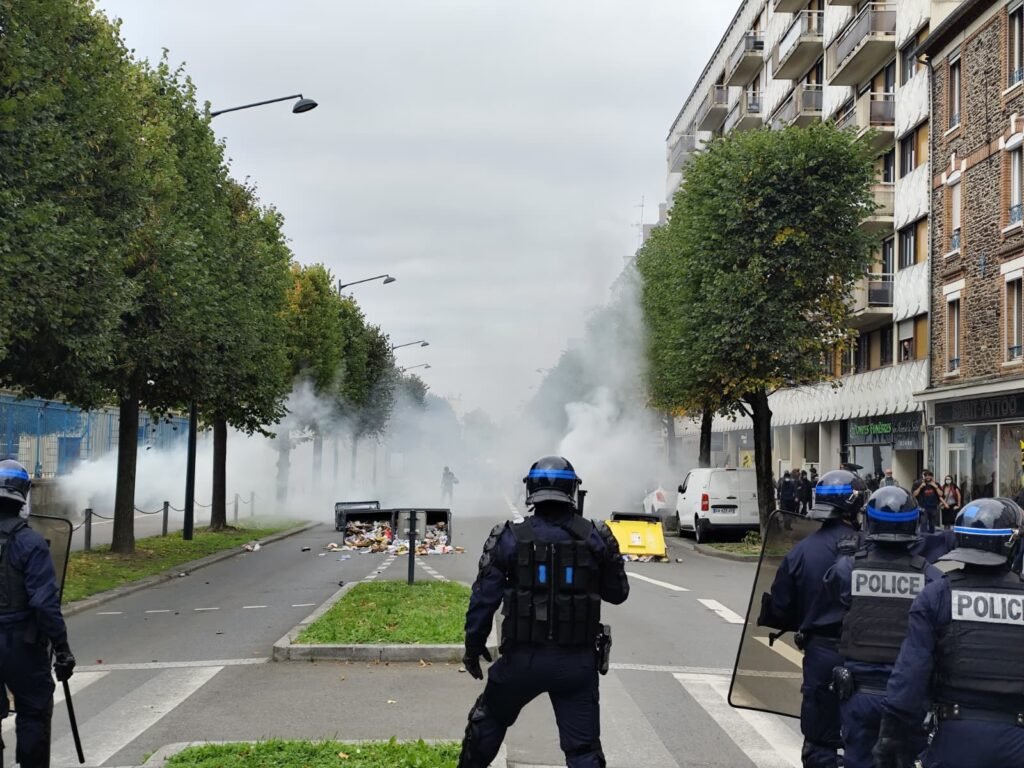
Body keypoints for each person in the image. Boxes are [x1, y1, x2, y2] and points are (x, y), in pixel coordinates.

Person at [457, 456, 629, 768]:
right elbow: (618, 594)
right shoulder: (595, 535)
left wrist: (473, 646)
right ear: (573, 490)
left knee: (488, 722)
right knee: (583, 752)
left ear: (530, 490)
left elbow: (484, 599)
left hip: (521, 661)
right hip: (576, 665)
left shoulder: (507, 535)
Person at [873, 498, 1024, 768]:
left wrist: (891, 735)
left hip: (955, 741)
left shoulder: (936, 596)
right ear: (1010, 543)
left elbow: (911, 673)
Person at [821, 486, 943, 768]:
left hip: (859, 694)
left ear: (869, 522)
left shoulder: (848, 568)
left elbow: (830, 597)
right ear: (915, 523)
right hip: (908, 699)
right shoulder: (929, 577)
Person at [757, 468, 868, 768]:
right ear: (856, 505)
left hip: (821, 654)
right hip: (871, 656)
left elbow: (780, 609)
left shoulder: (800, 553)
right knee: (871, 738)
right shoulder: (872, 550)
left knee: (821, 739)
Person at [0, 459, 75, 768]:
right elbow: (45, 604)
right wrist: (62, 650)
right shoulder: (30, 542)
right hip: (21, 645)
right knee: (33, 711)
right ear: (23, 494)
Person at [912, 470, 941, 534]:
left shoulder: (936, 484)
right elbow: (914, 494)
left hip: (933, 507)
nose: (928, 477)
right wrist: (920, 487)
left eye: (929, 476)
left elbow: (941, 494)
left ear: (932, 477)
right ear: (924, 477)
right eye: (926, 476)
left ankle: (932, 538)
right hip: (923, 507)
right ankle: (923, 538)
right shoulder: (919, 484)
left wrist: (935, 486)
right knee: (923, 523)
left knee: (932, 524)